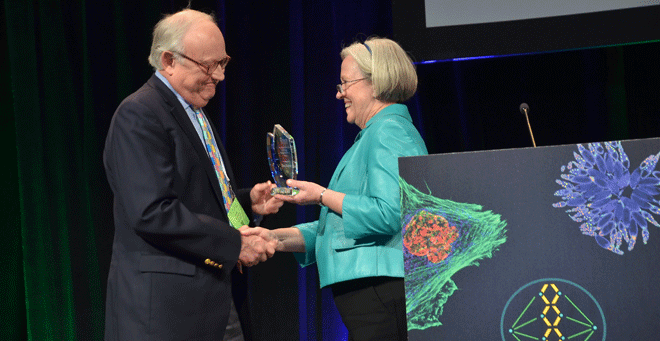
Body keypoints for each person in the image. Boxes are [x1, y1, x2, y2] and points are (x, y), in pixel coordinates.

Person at [103, 9, 282, 341]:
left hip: (214, 300)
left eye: (223, 63)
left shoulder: (195, 113)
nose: (220, 76)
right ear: (169, 60)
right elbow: (152, 212)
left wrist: (246, 204)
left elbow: (201, 199)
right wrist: (235, 244)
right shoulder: (139, 114)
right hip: (166, 314)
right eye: (209, 66)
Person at [243, 37, 428, 340]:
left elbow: (391, 213)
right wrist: (273, 238)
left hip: (380, 287)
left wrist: (321, 195)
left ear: (376, 82)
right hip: (370, 289)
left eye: (346, 84)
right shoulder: (373, 136)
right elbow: (338, 226)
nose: (339, 93)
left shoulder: (389, 131)